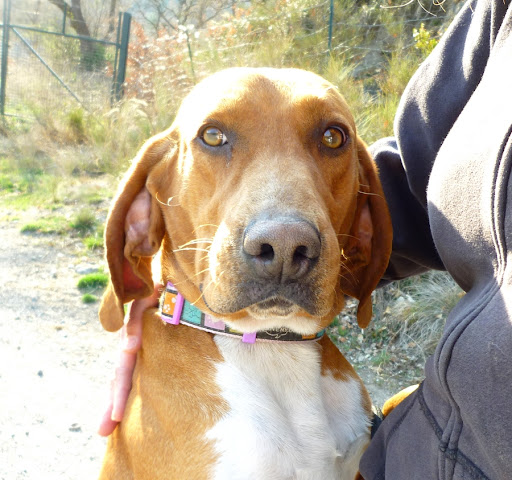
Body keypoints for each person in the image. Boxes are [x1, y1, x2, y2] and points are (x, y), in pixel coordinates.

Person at [99, 0, 512, 477]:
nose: (283, 240)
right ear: (147, 213)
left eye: (330, 140)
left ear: (361, 220)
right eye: (215, 138)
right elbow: (423, 168)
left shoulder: (344, 400)